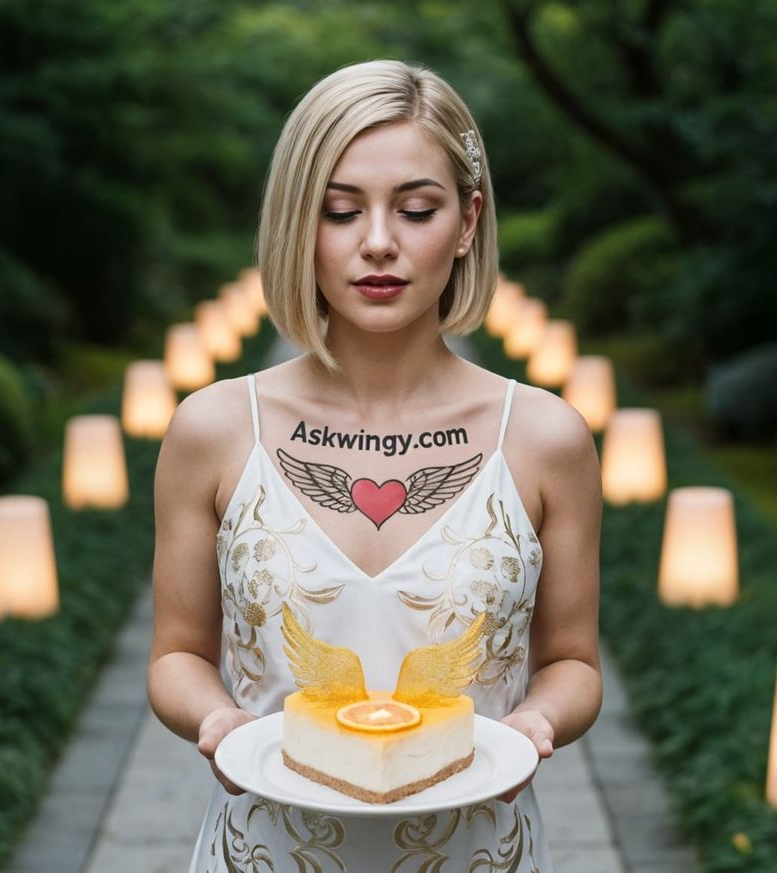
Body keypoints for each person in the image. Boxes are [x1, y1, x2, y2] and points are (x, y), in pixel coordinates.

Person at [149, 59, 602, 872]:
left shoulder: (545, 437)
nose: (379, 243)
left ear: (466, 223)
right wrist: (218, 720)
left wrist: (537, 721)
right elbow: (177, 652)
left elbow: (571, 660)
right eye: (341, 210)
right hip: (264, 851)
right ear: (299, 224)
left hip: (477, 853)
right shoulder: (213, 428)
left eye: (417, 209)